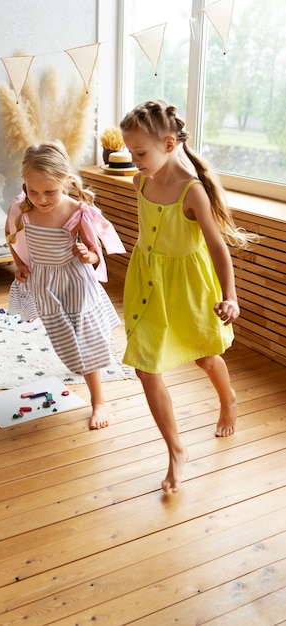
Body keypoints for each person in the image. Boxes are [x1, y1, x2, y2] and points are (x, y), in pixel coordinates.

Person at [120, 99, 257, 493]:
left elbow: (218, 248)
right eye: (130, 152)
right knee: (145, 367)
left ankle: (228, 398)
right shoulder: (140, 180)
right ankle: (176, 450)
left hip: (189, 289)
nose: (134, 160)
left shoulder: (192, 191)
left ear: (167, 144)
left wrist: (230, 296)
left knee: (204, 357)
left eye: (140, 152)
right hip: (147, 283)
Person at [5, 140, 126, 430]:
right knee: (65, 341)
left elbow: (95, 251)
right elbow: (11, 239)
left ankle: (99, 399)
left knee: (84, 338)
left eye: (50, 191)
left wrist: (88, 254)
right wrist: (19, 265)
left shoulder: (76, 211)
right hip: (46, 284)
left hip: (75, 281)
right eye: (33, 191)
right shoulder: (21, 210)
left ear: (67, 181)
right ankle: (82, 367)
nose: (41, 199)